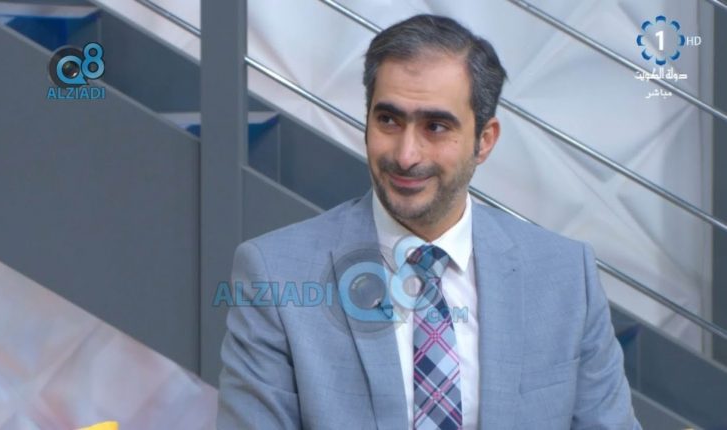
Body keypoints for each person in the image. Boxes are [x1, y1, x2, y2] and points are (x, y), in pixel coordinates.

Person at [217, 14, 641, 430]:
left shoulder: (567, 276)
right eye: (388, 120)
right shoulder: (273, 275)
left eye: (435, 126)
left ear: (484, 141)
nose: (406, 155)